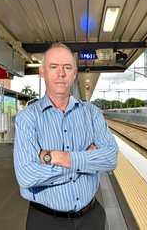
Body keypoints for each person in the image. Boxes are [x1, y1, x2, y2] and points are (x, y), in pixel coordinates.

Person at [13, 42, 119, 230]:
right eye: (53, 67)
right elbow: (27, 176)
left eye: (67, 67)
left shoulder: (92, 113)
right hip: (45, 221)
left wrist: (59, 157)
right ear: (42, 72)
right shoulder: (27, 118)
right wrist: (86, 160)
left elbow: (110, 158)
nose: (61, 73)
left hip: (91, 218)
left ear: (75, 73)